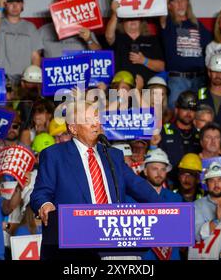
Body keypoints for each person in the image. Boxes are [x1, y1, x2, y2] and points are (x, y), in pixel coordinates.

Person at [30, 102, 160, 260]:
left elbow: (140, 188)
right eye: (88, 120)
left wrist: (167, 211)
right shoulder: (54, 155)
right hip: (75, 246)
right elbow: (40, 194)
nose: (96, 124)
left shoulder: (113, 155)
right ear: (73, 128)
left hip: (114, 240)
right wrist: (46, 205)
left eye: (97, 118)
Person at [160, 0, 212, 109]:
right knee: (175, 112)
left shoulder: (197, 25)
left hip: (200, 79)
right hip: (178, 79)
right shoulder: (168, 24)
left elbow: (213, 46)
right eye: (176, 1)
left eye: (183, 0)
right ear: (170, 5)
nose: (180, 4)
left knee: (201, 113)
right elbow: (160, 5)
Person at [105, 0, 165, 84]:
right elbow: (109, 36)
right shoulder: (118, 38)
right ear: (122, 22)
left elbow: (162, 67)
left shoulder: (152, 39)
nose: (132, 20)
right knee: (112, 94)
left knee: (158, 93)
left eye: (135, 17)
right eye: (129, 18)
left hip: (147, 89)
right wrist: (115, 13)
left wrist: (144, 60)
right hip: (121, 88)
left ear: (141, 21)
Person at [139, 149, 182, 260]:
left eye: (163, 169)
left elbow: (182, 234)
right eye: (154, 169)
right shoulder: (132, 199)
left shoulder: (176, 199)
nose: (159, 173)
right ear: (145, 171)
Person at [37, 0, 101, 60]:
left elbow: (100, 55)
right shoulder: (43, 30)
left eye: (71, 6)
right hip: (53, 69)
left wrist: (89, 39)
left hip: (79, 69)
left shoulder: (85, 29)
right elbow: (34, 56)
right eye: (64, 6)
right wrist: (45, 64)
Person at [0, 0, 41, 86]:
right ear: (5, 4)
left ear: (22, 5)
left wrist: (33, 79)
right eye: (10, 2)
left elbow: (35, 56)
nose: (14, 6)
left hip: (24, 79)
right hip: (0, 77)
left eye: (18, 2)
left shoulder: (30, 27)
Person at [157, 90, 200, 167]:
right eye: (185, 109)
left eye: (192, 110)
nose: (189, 113)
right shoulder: (164, 131)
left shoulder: (200, 135)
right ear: (176, 110)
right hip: (168, 176)